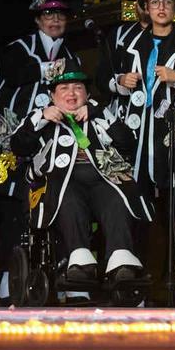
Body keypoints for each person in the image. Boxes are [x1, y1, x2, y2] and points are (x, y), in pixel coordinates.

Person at [20, 68, 145, 294]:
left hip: (103, 180)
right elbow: (18, 146)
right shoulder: (40, 117)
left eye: (78, 88)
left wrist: (99, 113)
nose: (72, 93)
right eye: (64, 88)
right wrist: (42, 117)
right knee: (68, 198)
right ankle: (79, 262)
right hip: (62, 182)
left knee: (117, 198)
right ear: (52, 96)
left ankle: (121, 263)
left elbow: (127, 143)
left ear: (87, 94)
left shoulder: (99, 115)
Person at [100, 0, 175, 234]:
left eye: (167, 1)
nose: (161, 7)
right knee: (134, 201)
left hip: (173, 135)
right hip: (135, 134)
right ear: (146, 8)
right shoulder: (129, 42)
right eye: (155, 2)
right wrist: (121, 81)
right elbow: (106, 80)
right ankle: (135, 255)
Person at [0, 0, 75, 302]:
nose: (55, 20)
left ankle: (59, 278)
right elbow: (13, 75)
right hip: (16, 141)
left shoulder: (73, 56)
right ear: (37, 20)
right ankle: (8, 278)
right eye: (48, 14)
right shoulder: (17, 49)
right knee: (13, 209)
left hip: (52, 143)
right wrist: (48, 70)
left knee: (54, 203)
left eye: (60, 14)